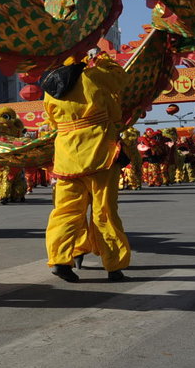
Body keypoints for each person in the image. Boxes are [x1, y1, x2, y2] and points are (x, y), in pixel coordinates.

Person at [43, 52, 131, 283]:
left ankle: (61, 259)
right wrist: (104, 62)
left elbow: (52, 121)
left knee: (65, 212)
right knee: (104, 212)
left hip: (66, 157)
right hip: (99, 152)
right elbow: (120, 86)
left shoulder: (50, 86)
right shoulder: (94, 75)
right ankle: (113, 266)